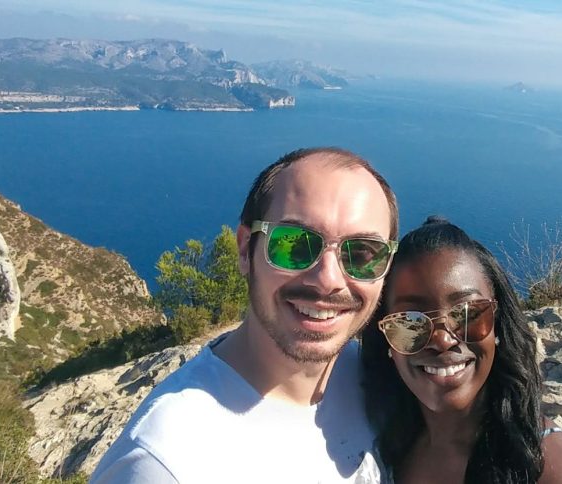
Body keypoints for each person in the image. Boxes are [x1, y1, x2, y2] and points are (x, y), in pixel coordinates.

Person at [91, 147, 399, 483]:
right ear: (244, 250)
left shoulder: (385, 382)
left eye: (363, 253)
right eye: (294, 244)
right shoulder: (164, 463)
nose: (328, 280)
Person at [361, 216, 562, 483]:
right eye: (410, 322)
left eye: (468, 314)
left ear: (499, 325)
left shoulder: (547, 469)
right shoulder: (378, 440)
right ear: (386, 340)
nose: (443, 340)